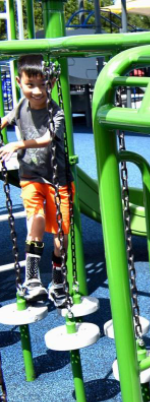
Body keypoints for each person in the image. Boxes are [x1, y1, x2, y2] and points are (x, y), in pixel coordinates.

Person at [0, 54, 71, 307]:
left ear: (51, 83)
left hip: (58, 179)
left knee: (61, 235)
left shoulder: (56, 111)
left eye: (44, 84)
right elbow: (7, 119)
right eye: (31, 85)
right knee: (36, 218)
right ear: (20, 83)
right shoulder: (20, 106)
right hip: (30, 177)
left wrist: (18, 143)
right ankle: (32, 279)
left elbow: (48, 138)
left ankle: (58, 280)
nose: (38, 91)